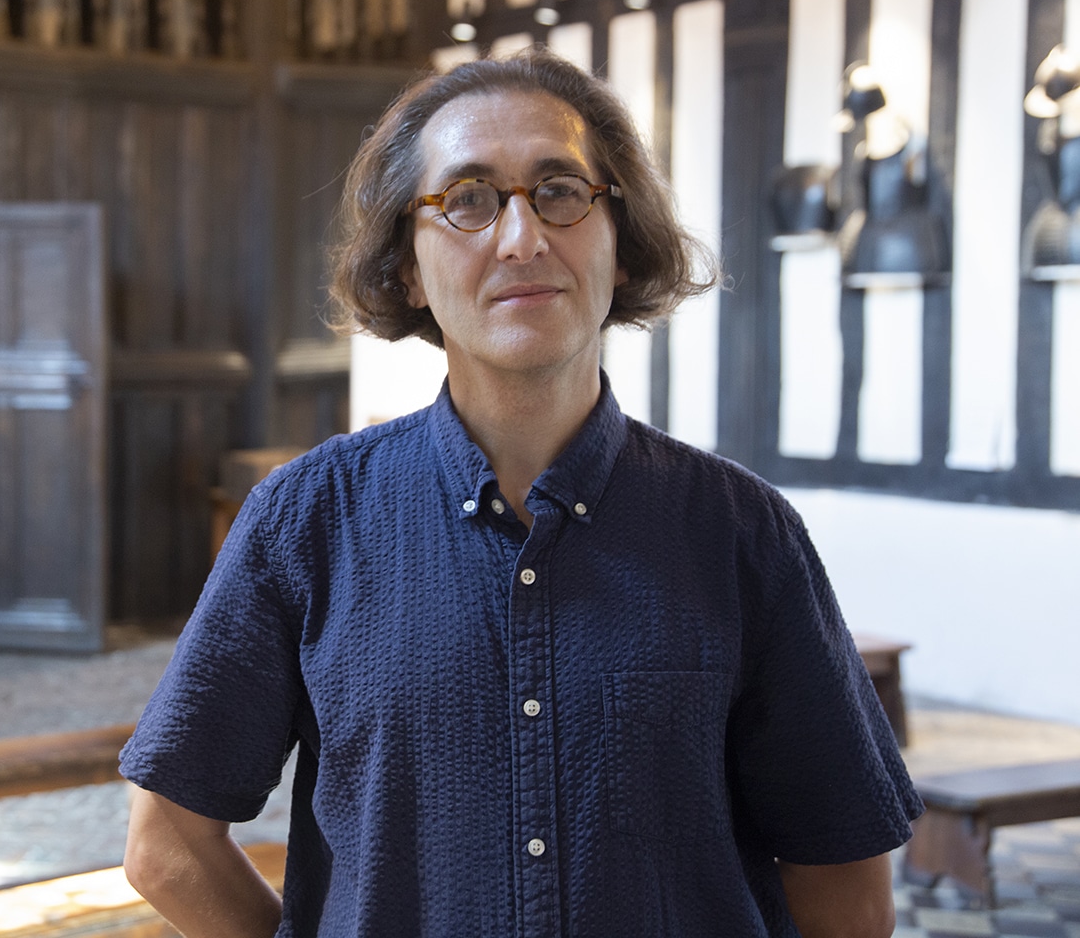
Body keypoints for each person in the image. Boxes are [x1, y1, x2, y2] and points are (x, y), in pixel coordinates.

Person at [118, 46, 923, 938]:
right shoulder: (307, 521)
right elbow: (167, 844)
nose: (522, 237)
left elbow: (846, 885)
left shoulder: (741, 531)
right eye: (467, 200)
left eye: (561, 192)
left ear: (622, 247)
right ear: (408, 268)